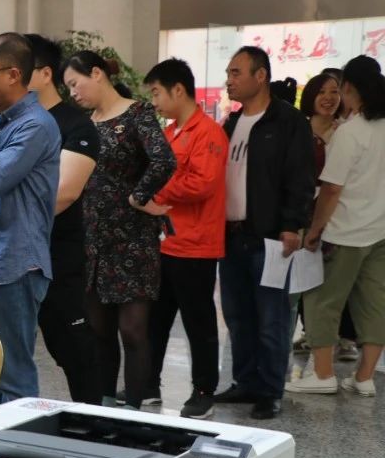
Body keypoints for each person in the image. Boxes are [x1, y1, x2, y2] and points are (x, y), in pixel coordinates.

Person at [62, 51, 177, 410]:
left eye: (75, 84)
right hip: (92, 238)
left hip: (133, 240)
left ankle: (136, 408)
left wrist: (138, 196)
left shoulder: (137, 113)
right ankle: (106, 403)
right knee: (98, 330)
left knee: (133, 330)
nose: (73, 93)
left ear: (97, 73)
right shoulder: (86, 124)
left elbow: (164, 159)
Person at [213, 46, 315, 419]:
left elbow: (300, 177)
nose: (229, 80)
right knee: (237, 315)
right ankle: (245, 382)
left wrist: (291, 225)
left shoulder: (287, 122)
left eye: (236, 72)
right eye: (228, 72)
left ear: (261, 76)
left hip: (269, 237)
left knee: (272, 318)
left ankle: (270, 390)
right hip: (230, 235)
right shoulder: (231, 123)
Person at [0, 33, 60, 403]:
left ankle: (22, 437)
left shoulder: (35, 124)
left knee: (13, 374)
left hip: (15, 262)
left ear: (12, 74)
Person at [288, 56, 385, 397]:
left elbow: (331, 189)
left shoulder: (351, 133)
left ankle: (323, 374)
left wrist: (315, 230)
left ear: (349, 88)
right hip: (379, 232)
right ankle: (364, 377)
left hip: (344, 232)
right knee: (375, 304)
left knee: (322, 300)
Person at [143, 58, 228, 419]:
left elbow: (201, 183)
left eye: (157, 93)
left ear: (178, 90)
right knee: (156, 320)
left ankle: (204, 391)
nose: (155, 102)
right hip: (166, 242)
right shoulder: (171, 132)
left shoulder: (208, 133)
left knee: (199, 323)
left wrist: (157, 190)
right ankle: (147, 385)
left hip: (195, 246)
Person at [24, 34, 102, 405]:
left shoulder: (75, 125)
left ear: (44, 74)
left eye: (16, 68)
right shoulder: (7, 122)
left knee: (70, 344)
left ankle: (94, 417)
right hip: (13, 255)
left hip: (57, 252)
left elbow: (63, 194)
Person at [293, 72, 356, 360]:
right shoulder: (298, 131)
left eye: (334, 92)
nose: (329, 98)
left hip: (339, 213)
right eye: (322, 92)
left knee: (337, 280)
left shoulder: (347, 132)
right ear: (311, 97)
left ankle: (343, 337)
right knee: (304, 277)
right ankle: (311, 333)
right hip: (303, 213)